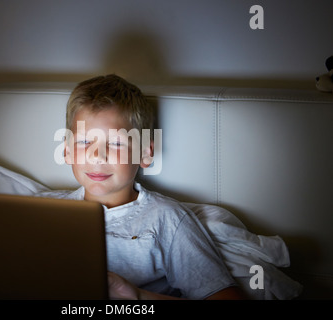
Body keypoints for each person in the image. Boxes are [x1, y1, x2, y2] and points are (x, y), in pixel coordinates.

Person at [53, 74, 244, 300]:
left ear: (145, 153)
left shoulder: (167, 219)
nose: (97, 156)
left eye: (115, 143)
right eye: (84, 141)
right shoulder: (49, 214)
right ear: (66, 151)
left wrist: (137, 297)